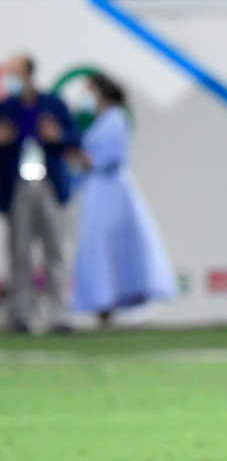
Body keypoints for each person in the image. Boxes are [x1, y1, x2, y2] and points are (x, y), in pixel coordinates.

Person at [71, 73, 176, 324]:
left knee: (109, 243)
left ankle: (115, 299)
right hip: (97, 190)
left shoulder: (116, 119)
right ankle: (102, 302)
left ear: (100, 92)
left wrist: (89, 160)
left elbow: (115, 156)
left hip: (111, 191)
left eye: (90, 91)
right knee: (97, 245)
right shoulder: (102, 120)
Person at [0, 55, 80, 334]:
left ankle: (60, 314)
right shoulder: (6, 108)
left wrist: (57, 136)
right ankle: (22, 314)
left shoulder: (53, 104)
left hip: (49, 184)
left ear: (29, 73)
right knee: (19, 251)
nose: (10, 78)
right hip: (18, 185)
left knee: (55, 250)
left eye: (15, 72)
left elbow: (74, 138)